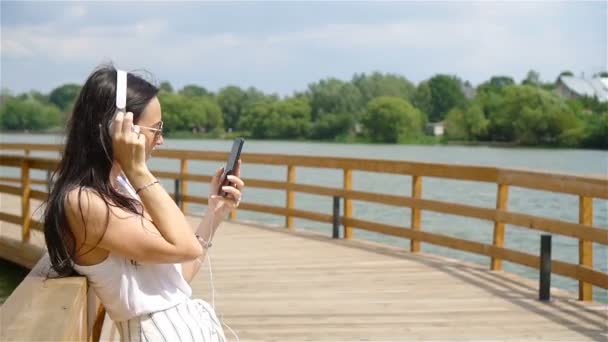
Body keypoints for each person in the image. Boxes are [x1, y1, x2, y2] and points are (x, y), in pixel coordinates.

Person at [43, 64, 244, 341]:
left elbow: (176, 279)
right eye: (156, 128)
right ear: (120, 127)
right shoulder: (83, 202)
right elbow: (185, 247)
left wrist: (214, 215)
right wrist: (139, 170)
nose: (160, 140)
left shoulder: (121, 187)